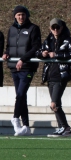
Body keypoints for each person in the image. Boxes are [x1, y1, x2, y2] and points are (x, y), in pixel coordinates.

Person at [2, 5, 41, 136]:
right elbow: (9, 46)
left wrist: (23, 59)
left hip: (27, 67)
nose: (21, 17)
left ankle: (15, 118)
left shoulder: (33, 28)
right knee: (21, 96)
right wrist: (6, 54)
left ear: (27, 15)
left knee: (20, 94)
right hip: (14, 67)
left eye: (23, 14)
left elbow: (35, 47)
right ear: (15, 16)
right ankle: (26, 126)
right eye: (18, 15)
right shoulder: (11, 29)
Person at [36, 18, 71, 137]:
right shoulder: (48, 40)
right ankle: (62, 127)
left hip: (61, 75)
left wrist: (57, 55)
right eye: (53, 28)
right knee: (57, 104)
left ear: (61, 27)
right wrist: (42, 54)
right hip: (50, 75)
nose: (55, 30)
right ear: (50, 28)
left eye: (57, 27)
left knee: (53, 104)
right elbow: (38, 52)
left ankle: (65, 127)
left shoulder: (68, 39)